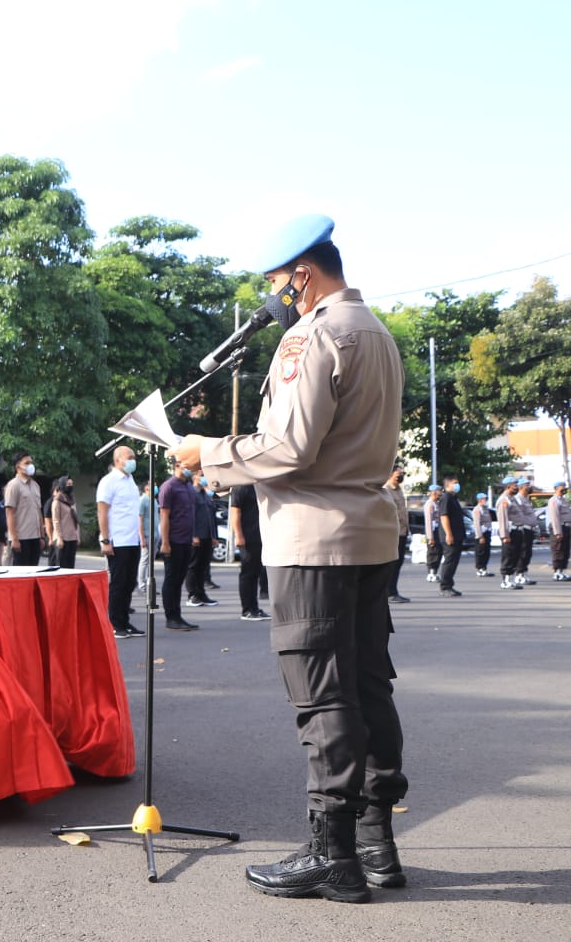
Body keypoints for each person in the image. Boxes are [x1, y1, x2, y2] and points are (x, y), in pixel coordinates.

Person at [173, 214, 407, 903]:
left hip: (311, 538)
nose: (274, 295)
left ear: (301, 275)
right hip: (366, 532)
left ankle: (331, 858)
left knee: (322, 697)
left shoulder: (311, 334)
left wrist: (205, 450)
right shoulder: (378, 332)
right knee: (368, 687)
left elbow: (288, 449)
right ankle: (375, 846)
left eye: (276, 281)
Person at [96, 446, 144, 639]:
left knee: (129, 582)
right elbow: (102, 511)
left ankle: (124, 621)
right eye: (129, 457)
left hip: (132, 540)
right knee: (118, 582)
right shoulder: (109, 481)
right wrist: (105, 539)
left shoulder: (130, 480)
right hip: (118, 540)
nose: (133, 460)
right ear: (118, 459)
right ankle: (115, 623)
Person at [156, 463, 200, 631]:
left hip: (185, 540)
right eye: (187, 465)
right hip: (173, 541)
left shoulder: (188, 486)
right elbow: (164, 516)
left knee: (179, 579)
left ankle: (178, 615)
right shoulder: (169, 487)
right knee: (171, 580)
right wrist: (165, 542)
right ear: (177, 465)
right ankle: (171, 617)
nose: (190, 468)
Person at [229, 482, 269, 621]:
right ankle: (247, 610)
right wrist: (239, 535)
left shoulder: (257, 486)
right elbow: (235, 512)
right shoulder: (240, 487)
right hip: (247, 538)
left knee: (255, 574)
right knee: (248, 574)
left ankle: (254, 608)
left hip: (259, 537)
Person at [185, 477, 219, 608]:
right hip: (197, 536)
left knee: (203, 567)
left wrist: (213, 536)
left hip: (207, 536)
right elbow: (190, 515)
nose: (204, 477)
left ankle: (201, 593)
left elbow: (210, 517)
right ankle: (192, 595)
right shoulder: (192, 493)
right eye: (200, 474)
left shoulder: (205, 494)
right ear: (194, 477)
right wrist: (193, 534)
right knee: (193, 566)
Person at [4, 452, 42, 566]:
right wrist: (14, 538)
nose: (30, 466)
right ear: (18, 467)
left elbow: (38, 511)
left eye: (31, 463)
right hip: (21, 538)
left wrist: (42, 536)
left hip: (35, 537)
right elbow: (10, 513)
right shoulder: (13, 485)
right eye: (27, 463)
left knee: (34, 572)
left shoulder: (35, 485)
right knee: (21, 574)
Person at [383, 468, 411, 603]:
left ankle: (393, 590)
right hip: (393, 533)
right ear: (390, 474)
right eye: (398, 475)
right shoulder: (386, 490)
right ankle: (389, 592)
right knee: (392, 564)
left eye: (402, 475)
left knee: (398, 563)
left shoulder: (399, 490)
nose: (400, 477)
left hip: (402, 532)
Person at [437, 475, 465, 596]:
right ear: (448, 485)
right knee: (449, 561)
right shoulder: (446, 498)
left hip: (457, 535)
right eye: (455, 483)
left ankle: (449, 585)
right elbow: (444, 516)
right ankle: (445, 587)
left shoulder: (454, 498)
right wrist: (449, 534)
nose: (457, 485)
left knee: (454, 561)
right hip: (450, 536)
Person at [494, 477, 523, 590]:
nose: (517, 487)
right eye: (514, 485)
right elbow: (503, 519)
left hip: (517, 530)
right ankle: (505, 581)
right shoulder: (504, 500)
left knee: (515, 555)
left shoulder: (512, 499)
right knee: (508, 556)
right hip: (509, 532)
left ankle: (510, 579)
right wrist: (505, 535)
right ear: (508, 486)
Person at [510, 478, 538, 585]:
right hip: (524, 529)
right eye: (527, 485)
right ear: (521, 487)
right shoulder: (518, 499)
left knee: (527, 553)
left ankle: (523, 573)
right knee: (523, 552)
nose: (529, 487)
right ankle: (519, 574)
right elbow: (519, 515)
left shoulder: (525, 499)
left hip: (529, 529)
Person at [51, 476, 80, 569]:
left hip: (72, 537)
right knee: (62, 566)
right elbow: (56, 521)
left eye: (71, 484)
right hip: (62, 538)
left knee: (70, 566)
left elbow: (75, 519)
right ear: (62, 485)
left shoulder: (72, 500)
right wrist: (59, 537)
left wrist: (77, 536)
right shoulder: (57, 501)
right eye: (68, 484)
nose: (70, 486)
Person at [548, 482, 570, 581]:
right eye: (562, 487)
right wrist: (558, 532)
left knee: (565, 551)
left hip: (566, 527)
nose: (564, 489)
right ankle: (557, 572)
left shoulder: (563, 500)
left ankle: (562, 571)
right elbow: (555, 517)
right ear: (556, 488)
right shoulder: (554, 501)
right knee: (558, 550)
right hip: (559, 528)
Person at [422, 484, 442, 584]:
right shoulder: (429, 504)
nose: (441, 493)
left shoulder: (436, 504)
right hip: (433, 532)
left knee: (438, 552)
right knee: (433, 552)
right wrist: (430, 537)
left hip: (438, 530)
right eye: (439, 491)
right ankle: (431, 573)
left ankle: (434, 572)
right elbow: (428, 521)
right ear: (434, 492)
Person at [471, 492, 494, 577]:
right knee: (480, 552)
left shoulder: (485, 509)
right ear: (480, 500)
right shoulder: (477, 509)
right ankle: (480, 568)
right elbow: (477, 524)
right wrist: (480, 536)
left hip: (487, 532)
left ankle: (484, 568)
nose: (486, 500)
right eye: (485, 499)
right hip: (481, 533)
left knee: (486, 552)